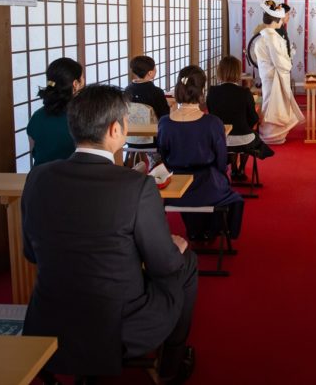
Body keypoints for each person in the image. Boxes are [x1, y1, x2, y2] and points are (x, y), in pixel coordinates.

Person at [21, 84, 197, 381]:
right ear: (116, 129)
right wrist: (175, 250)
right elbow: (163, 265)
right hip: (117, 324)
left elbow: (30, 252)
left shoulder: (37, 177)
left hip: (50, 318)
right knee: (185, 262)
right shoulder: (137, 186)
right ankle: (172, 363)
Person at [159, 65, 245, 241]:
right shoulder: (213, 123)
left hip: (176, 189)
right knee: (232, 196)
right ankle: (210, 231)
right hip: (208, 184)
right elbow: (221, 161)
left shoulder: (165, 123)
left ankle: (194, 230)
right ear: (201, 91)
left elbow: (164, 156)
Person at [206, 55, 273, 182]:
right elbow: (253, 118)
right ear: (238, 72)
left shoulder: (212, 92)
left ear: (220, 71)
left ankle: (233, 168)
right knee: (248, 134)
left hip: (221, 139)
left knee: (233, 137)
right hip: (244, 139)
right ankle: (240, 168)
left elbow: (211, 115)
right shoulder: (244, 92)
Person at [250, 0, 304, 144]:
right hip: (274, 76)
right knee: (274, 105)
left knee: (270, 103)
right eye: (281, 19)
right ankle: (271, 135)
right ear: (276, 20)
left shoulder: (264, 36)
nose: (282, 21)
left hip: (269, 75)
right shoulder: (272, 38)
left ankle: (269, 133)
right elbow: (280, 61)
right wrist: (288, 64)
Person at [26, 57, 83, 168]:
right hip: (74, 176)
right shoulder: (84, 116)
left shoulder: (37, 116)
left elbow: (35, 152)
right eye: (83, 78)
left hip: (40, 176)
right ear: (75, 84)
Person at [124, 55, 170, 153]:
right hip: (153, 140)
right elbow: (165, 116)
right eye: (155, 68)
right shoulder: (156, 92)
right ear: (150, 73)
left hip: (130, 139)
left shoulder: (127, 90)